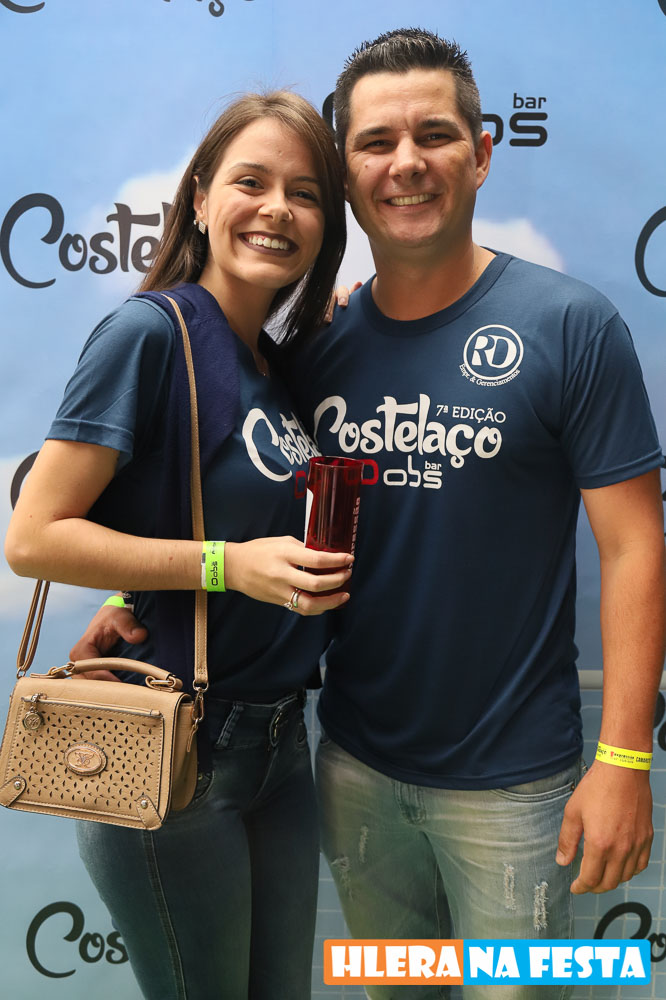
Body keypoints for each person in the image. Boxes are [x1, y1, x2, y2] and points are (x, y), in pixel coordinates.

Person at [64, 28, 666, 1000]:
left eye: (435, 135)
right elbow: (223, 489)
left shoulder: (571, 324)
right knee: (395, 991)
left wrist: (626, 758)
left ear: (482, 152)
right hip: (349, 773)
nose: (407, 162)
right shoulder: (310, 349)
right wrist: (135, 600)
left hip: (517, 790)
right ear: (347, 175)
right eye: (377, 142)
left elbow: (635, 545)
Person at [4, 90, 351, 1000]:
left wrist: (131, 597)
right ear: (199, 199)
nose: (278, 209)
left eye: (306, 194)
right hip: (179, 750)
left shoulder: (269, 361)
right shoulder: (150, 333)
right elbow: (33, 537)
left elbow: (171, 498)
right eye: (251, 182)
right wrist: (224, 568)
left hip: (280, 742)